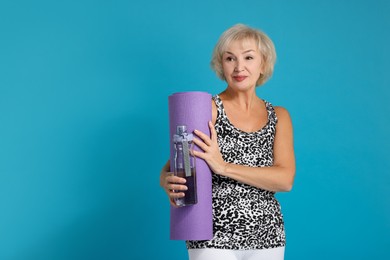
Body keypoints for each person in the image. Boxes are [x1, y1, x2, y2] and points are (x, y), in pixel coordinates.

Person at [160, 24, 295, 260]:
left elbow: (285, 180)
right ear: (221, 65)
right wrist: (165, 181)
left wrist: (223, 166)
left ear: (263, 64)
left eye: (249, 57)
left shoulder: (279, 116)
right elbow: (175, 163)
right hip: (211, 233)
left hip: (267, 234)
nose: (239, 67)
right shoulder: (206, 109)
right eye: (230, 58)